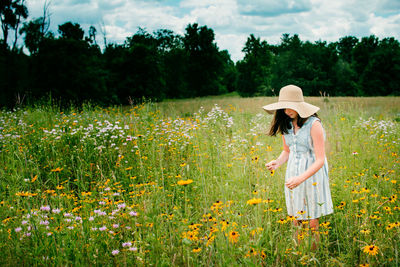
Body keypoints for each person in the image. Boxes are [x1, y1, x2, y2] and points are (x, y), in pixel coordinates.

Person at [263, 84, 333, 249]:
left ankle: (313, 254)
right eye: (284, 107)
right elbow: (287, 151)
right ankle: (300, 255)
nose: (287, 110)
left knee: (312, 221)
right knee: (296, 219)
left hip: (312, 175)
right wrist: (277, 163)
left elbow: (320, 159)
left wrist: (301, 179)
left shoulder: (314, 124)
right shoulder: (286, 124)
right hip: (293, 173)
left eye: (291, 106)